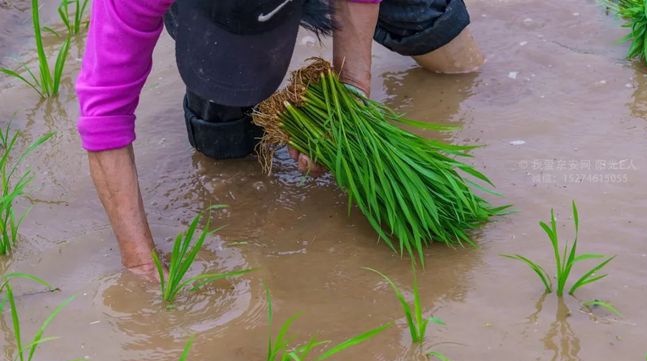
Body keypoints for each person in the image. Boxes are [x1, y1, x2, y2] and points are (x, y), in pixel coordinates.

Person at [76, 0, 484, 281]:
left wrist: (351, 92)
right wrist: (140, 264)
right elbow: (104, 117)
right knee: (223, 146)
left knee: (454, 62)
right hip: (210, 15)